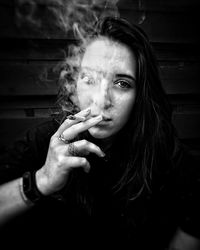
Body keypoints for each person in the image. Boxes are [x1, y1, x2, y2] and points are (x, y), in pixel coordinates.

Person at [0, 16, 199, 249]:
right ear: (74, 85)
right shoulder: (44, 142)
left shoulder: (162, 150)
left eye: (122, 83)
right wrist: (41, 180)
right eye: (89, 78)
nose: (101, 101)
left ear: (140, 95)